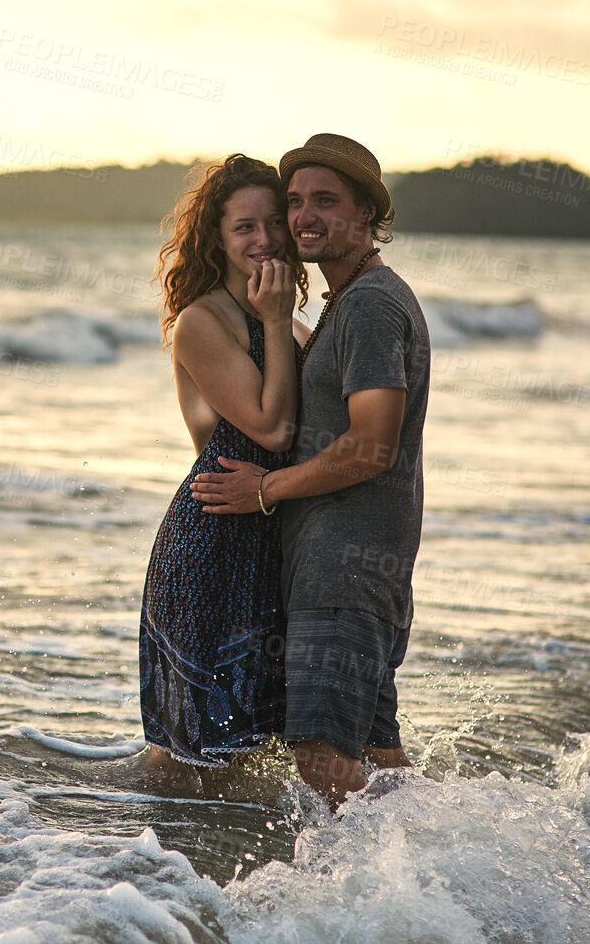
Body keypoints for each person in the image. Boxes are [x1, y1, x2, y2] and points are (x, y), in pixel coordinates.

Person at [190, 133, 431, 808]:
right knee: (382, 771)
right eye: (294, 202)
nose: (302, 217)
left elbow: (371, 444)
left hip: (342, 578)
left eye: (324, 201)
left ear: (366, 213)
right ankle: (439, 891)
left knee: (323, 762)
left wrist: (263, 490)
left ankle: (353, 910)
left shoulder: (368, 305)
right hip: (361, 574)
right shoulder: (347, 303)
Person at [139, 154, 309, 796]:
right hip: (210, 543)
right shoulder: (202, 322)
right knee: (187, 762)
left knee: (254, 753)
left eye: (274, 223)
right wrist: (270, 319)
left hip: (264, 537)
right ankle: (158, 875)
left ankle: (245, 883)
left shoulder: (294, 324)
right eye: (244, 228)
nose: (263, 240)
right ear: (217, 237)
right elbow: (273, 430)